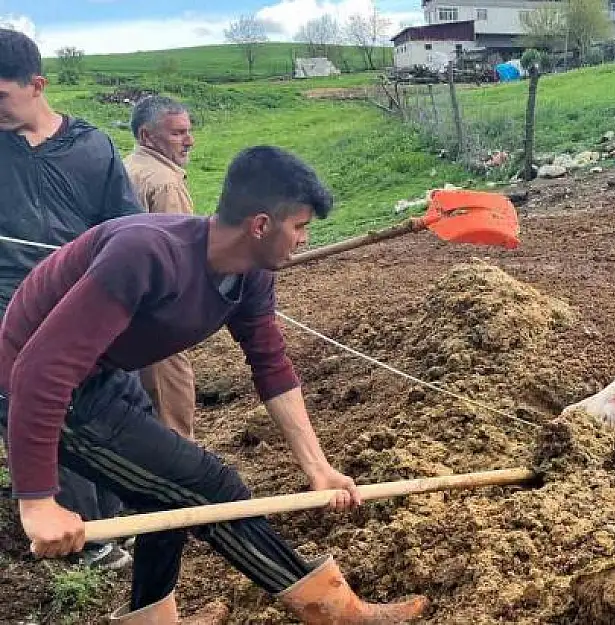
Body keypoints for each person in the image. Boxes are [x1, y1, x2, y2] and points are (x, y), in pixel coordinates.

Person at [0, 145, 430, 624]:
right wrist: (37, 502)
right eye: (300, 227)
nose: (304, 240)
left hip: (100, 377)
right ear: (261, 225)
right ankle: (336, 614)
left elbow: (271, 366)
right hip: (34, 387)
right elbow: (38, 370)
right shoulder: (146, 252)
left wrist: (319, 467)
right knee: (211, 488)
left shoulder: (250, 277)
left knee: (166, 497)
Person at [0, 27, 140, 570]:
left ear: (37, 85)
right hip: (9, 309)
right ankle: (83, 540)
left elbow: (125, 228)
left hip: (83, 304)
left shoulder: (91, 146)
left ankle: (122, 514)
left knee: (110, 399)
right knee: (39, 413)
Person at [123, 95, 198, 439]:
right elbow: (180, 255)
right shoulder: (165, 183)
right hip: (158, 313)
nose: (189, 140)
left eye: (189, 131)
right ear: (146, 135)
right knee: (171, 409)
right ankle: (181, 485)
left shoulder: (126, 168)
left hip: (123, 310)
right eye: (178, 133)